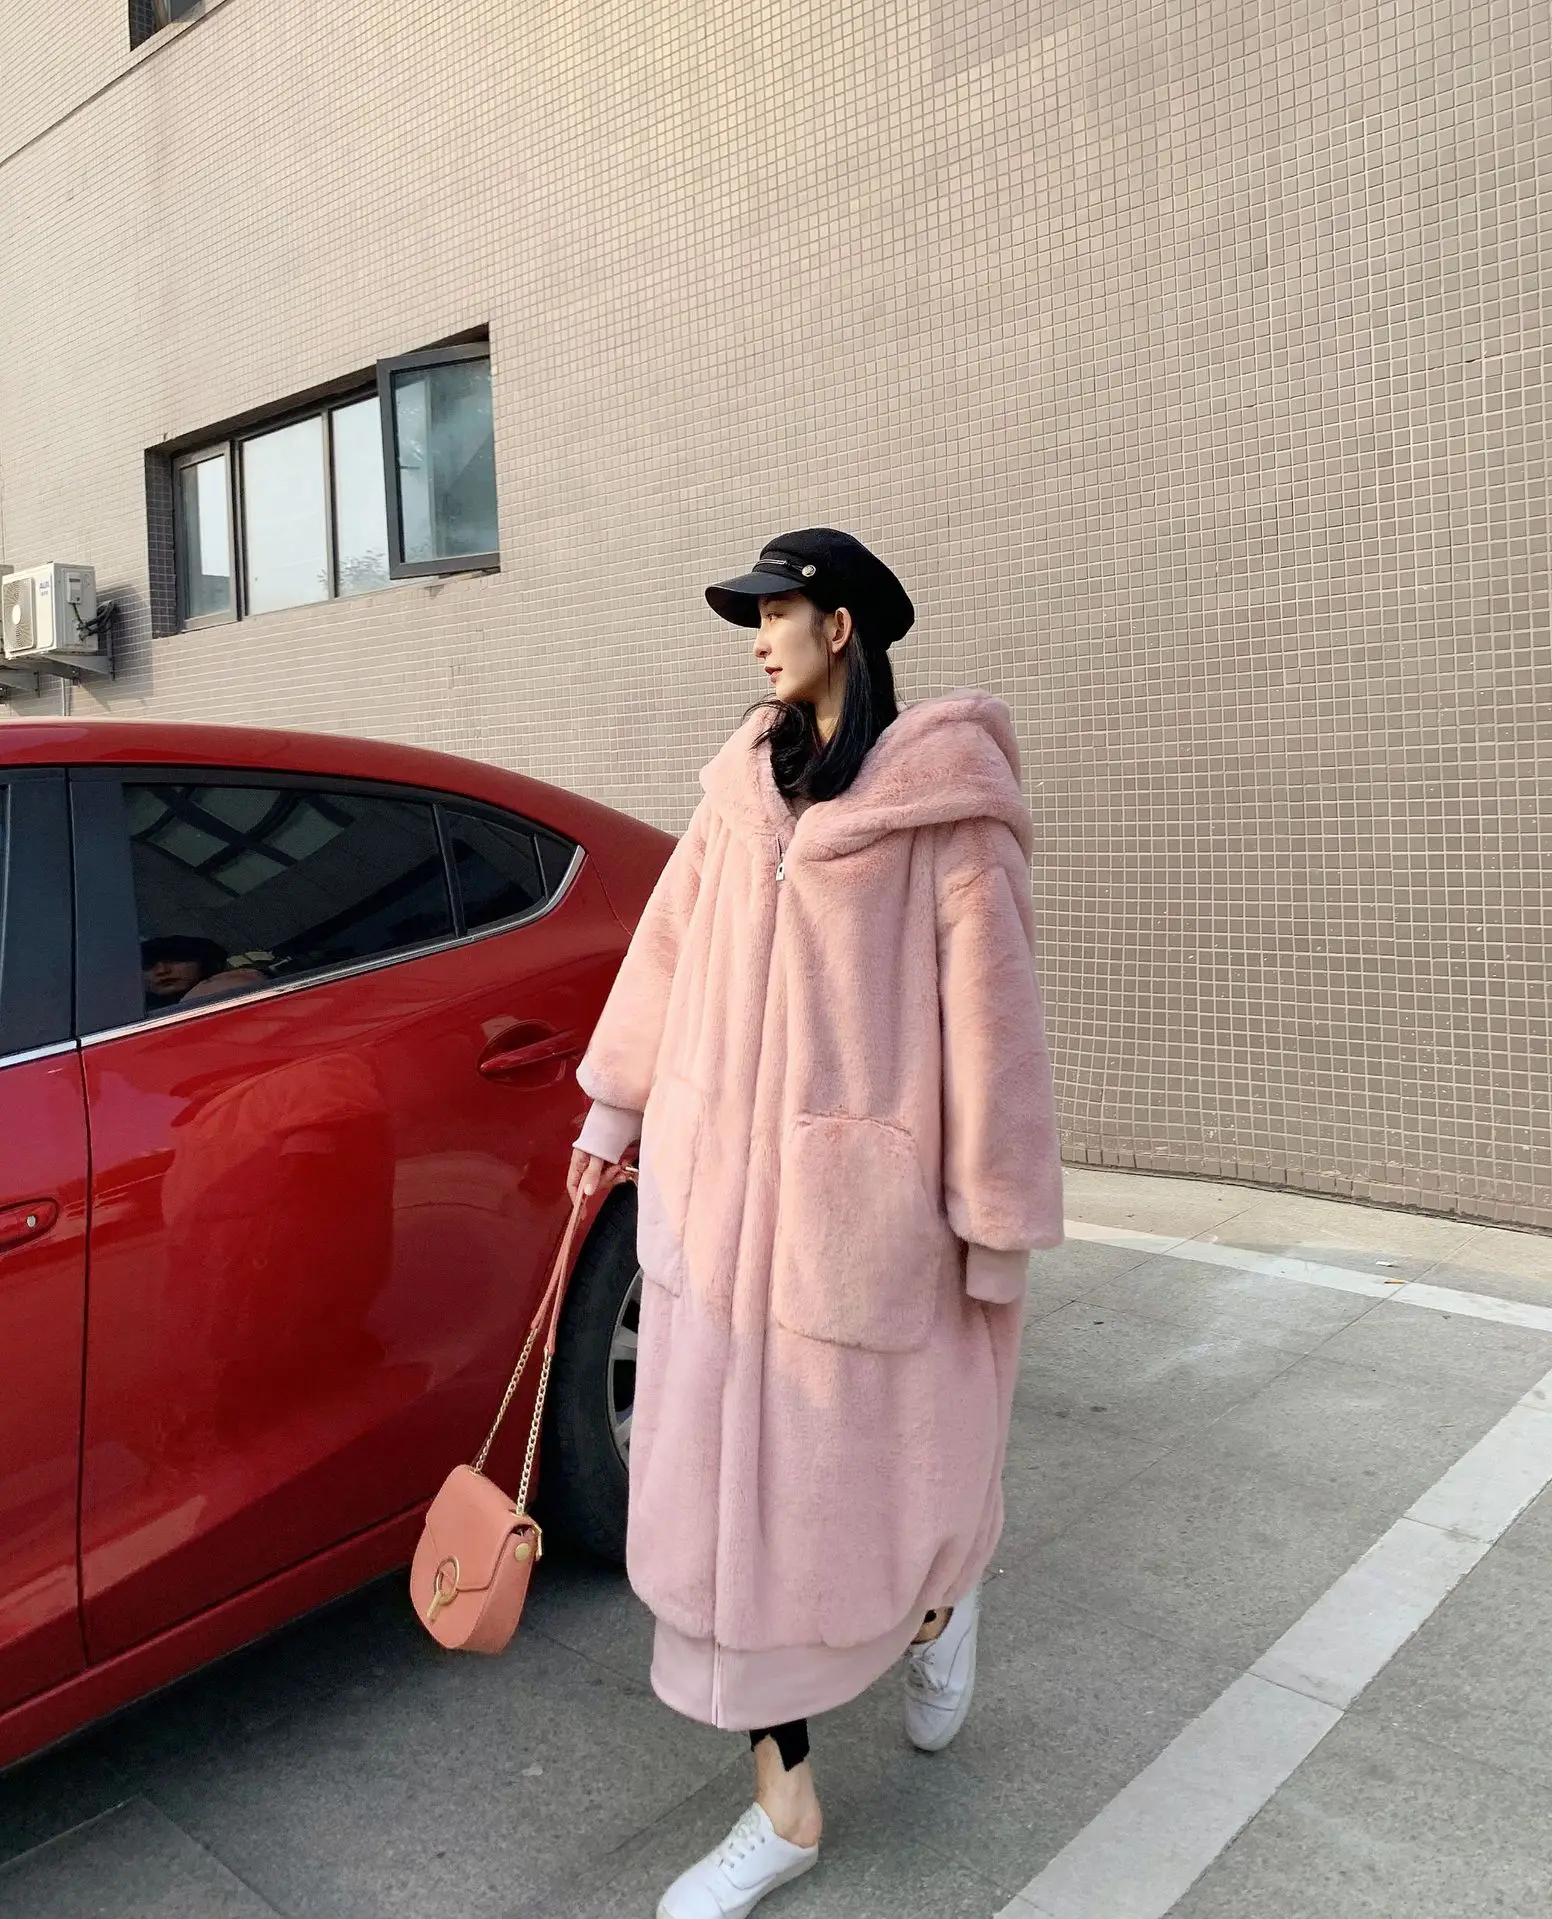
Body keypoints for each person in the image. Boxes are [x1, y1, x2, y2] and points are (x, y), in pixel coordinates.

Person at [567, 528, 1064, 1918]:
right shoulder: (736, 793)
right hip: (714, 1221)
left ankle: (941, 1595)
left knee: (879, 1495)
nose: (758, 635)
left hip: (860, 1227)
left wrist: (995, 1219)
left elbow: (997, 1032)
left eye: (776, 610)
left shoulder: (944, 813)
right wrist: (611, 1114)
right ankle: (783, 1809)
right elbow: (663, 957)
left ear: (841, 624)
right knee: (734, 1538)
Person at [141, 934, 266, 1015]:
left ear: (204, 962)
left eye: (176, 960)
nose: (162, 971)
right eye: (147, 966)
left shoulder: (233, 986)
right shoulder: (139, 1014)